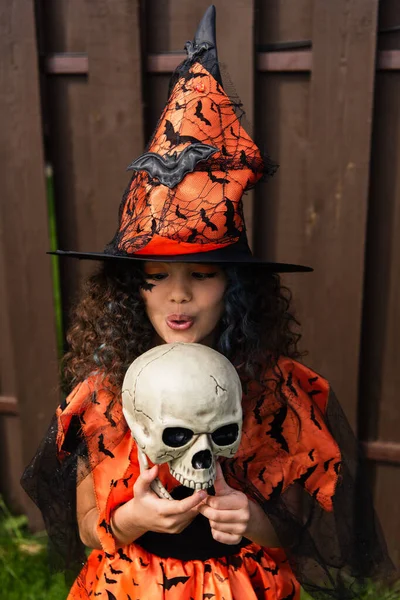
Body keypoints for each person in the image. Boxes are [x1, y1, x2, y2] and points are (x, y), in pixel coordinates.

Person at [21, 6, 393, 600]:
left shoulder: (276, 393)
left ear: (237, 285)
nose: (178, 293)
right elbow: (92, 526)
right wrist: (131, 520)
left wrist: (254, 521)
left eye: (202, 273)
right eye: (155, 275)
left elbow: (291, 529)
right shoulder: (102, 396)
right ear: (129, 287)